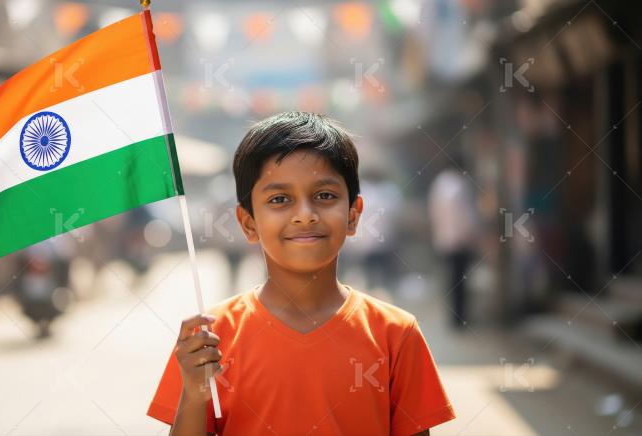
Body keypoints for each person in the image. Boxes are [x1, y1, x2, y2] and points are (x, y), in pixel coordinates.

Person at [147, 112, 455, 435]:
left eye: (324, 196)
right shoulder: (210, 339)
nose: (305, 215)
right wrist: (195, 395)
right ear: (248, 223)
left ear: (353, 215)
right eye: (280, 199)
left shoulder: (396, 334)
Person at [428, 167, 478, 329]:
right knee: (460, 280)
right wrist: (472, 235)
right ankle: (459, 317)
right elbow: (466, 215)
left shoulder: (440, 183)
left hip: (445, 239)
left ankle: (455, 317)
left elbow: (434, 212)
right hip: (460, 240)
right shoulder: (460, 185)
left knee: (452, 280)